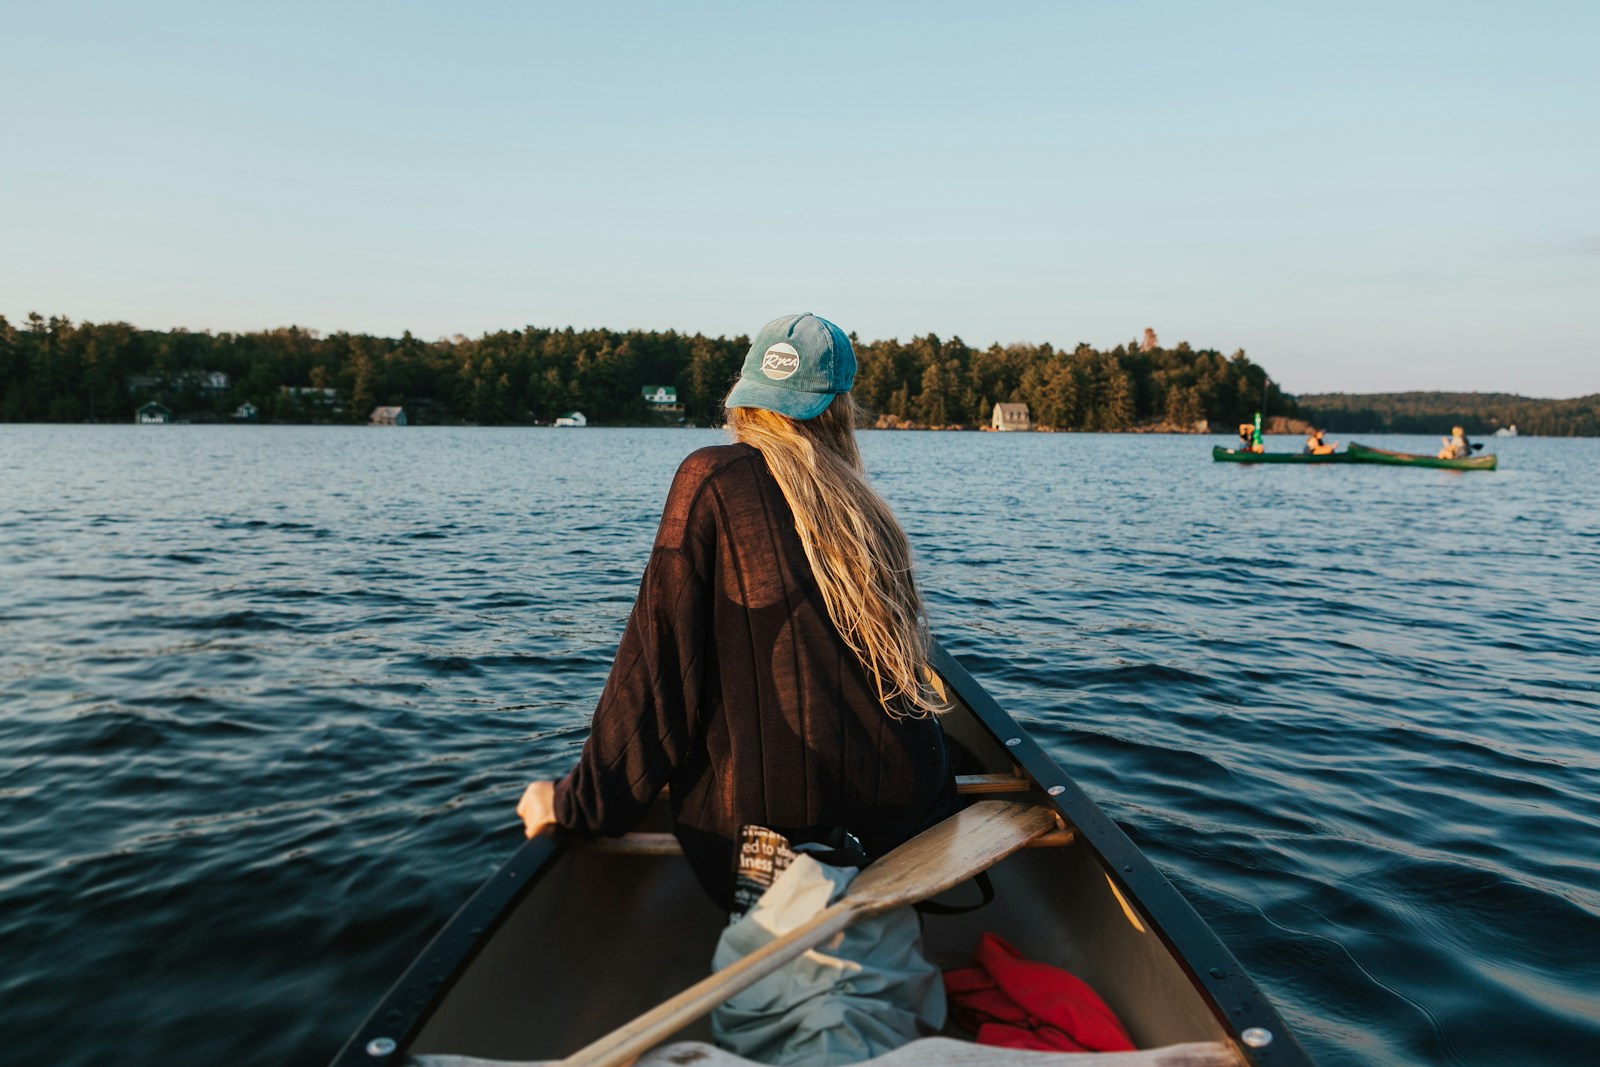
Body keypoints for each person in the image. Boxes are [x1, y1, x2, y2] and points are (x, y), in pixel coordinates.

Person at [516, 313, 955, 911]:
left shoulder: (713, 478)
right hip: (909, 817)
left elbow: (656, 681)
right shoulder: (865, 512)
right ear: (840, 408)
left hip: (775, 849)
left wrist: (575, 803)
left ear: (745, 400)